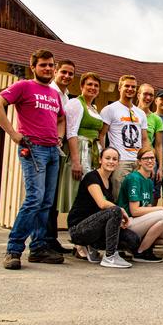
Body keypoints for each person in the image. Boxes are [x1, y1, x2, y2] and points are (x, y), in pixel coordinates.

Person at [0, 49, 66, 270]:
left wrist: (59, 137)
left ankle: (39, 249)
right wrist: (13, 134)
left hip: (52, 151)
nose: (48, 69)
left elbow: (61, 118)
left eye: (51, 65)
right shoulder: (23, 86)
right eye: (43, 65)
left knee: (47, 202)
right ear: (33, 67)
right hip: (33, 149)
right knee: (34, 199)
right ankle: (13, 250)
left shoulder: (53, 94)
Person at [67, 147, 140, 268]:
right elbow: (102, 203)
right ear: (100, 160)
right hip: (78, 228)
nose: (111, 161)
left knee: (133, 239)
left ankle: (92, 246)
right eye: (107, 158)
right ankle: (110, 257)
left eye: (114, 159)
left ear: (118, 162)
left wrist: (119, 221)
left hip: (95, 227)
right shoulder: (92, 177)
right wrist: (121, 211)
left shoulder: (109, 181)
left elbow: (105, 212)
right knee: (116, 210)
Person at [56, 72, 103, 223]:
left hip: (93, 151)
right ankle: (77, 233)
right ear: (82, 86)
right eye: (89, 84)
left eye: (96, 86)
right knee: (78, 191)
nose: (93, 88)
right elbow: (71, 132)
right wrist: (76, 162)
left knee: (91, 191)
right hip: (80, 150)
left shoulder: (94, 107)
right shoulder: (76, 103)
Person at [117, 146, 163, 263]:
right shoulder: (134, 178)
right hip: (128, 222)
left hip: (140, 221)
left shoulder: (149, 181)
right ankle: (141, 252)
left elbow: (147, 207)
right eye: (146, 158)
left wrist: (155, 210)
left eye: (152, 158)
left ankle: (136, 247)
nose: (150, 161)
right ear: (139, 161)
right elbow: (135, 211)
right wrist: (159, 208)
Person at [99, 75, 149, 200]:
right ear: (119, 87)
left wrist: (147, 159)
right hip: (120, 161)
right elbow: (102, 134)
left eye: (133, 87)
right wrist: (103, 158)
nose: (130, 89)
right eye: (127, 85)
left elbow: (144, 139)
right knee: (120, 198)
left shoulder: (141, 113)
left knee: (137, 198)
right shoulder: (110, 109)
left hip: (138, 162)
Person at [47, 59, 75, 254]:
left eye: (70, 74)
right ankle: (42, 241)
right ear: (56, 71)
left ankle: (51, 239)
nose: (66, 76)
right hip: (47, 148)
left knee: (54, 197)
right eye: (63, 72)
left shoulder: (67, 96)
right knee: (45, 199)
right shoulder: (50, 91)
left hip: (61, 151)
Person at [137, 84, 163, 190]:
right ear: (138, 95)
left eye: (151, 95)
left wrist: (160, 167)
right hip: (129, 158)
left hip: (147, 160)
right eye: (145, 94)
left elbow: (158, 145)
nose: (148, 98)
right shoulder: (130, 113)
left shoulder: (156, 119)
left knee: (148, 193)